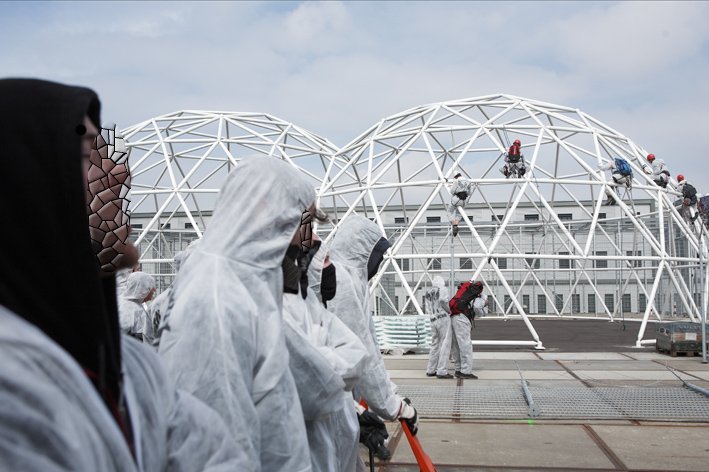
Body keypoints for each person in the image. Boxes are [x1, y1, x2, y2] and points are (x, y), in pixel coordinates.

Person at [0, 78, 247, 471]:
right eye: (87, 157)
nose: (120, 174)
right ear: (22, 185)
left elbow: (218, 456)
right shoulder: (9, 390)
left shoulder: (131, 367)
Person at [158, 157, 314, 471]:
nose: (306, 238)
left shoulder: (248, 283)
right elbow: (217, 446)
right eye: (303, 221)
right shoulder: (216, 296)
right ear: (266, 209)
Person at [327, 215, 420, 445]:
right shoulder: (342, 282)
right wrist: (394, 406)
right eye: (377, 255)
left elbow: (369, 347)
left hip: (338, 397)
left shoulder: (348, 279)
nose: (378, 264)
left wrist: (389, 392)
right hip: (330, 400)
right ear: (362, 251)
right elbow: (361, 351)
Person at [449, 281, 481, 379]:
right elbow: (477, 307)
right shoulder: (478, 296)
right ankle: (466, 371)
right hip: (462, 319)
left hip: (453, 317)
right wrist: (484, 305)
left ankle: (458, 369)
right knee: (465, 345)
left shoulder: (461, 294)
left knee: (456, 346)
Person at [425, 276, 454, 379]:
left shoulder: (428, 292)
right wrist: (449, 311)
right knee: (445, 344)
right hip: (442, 318)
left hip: (433, 319)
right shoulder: (443, 289)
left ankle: (431, 369)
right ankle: (442, 370)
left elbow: (428, 307)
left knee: (435, 344)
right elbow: (442, 300)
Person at [118, 271, 156, 341]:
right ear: (141, 289)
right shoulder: (134, 309)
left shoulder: (121, 301)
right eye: (150, 287)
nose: (154, 290)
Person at [446, 172, 472, 237]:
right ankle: (456, 224)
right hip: (464, 201)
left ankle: (454, 224)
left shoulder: (456, 181)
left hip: (456, 199)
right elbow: (469, 193)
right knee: (459, 213)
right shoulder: (468, 181)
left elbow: (452, 191)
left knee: (450, 211)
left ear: (455, 176)